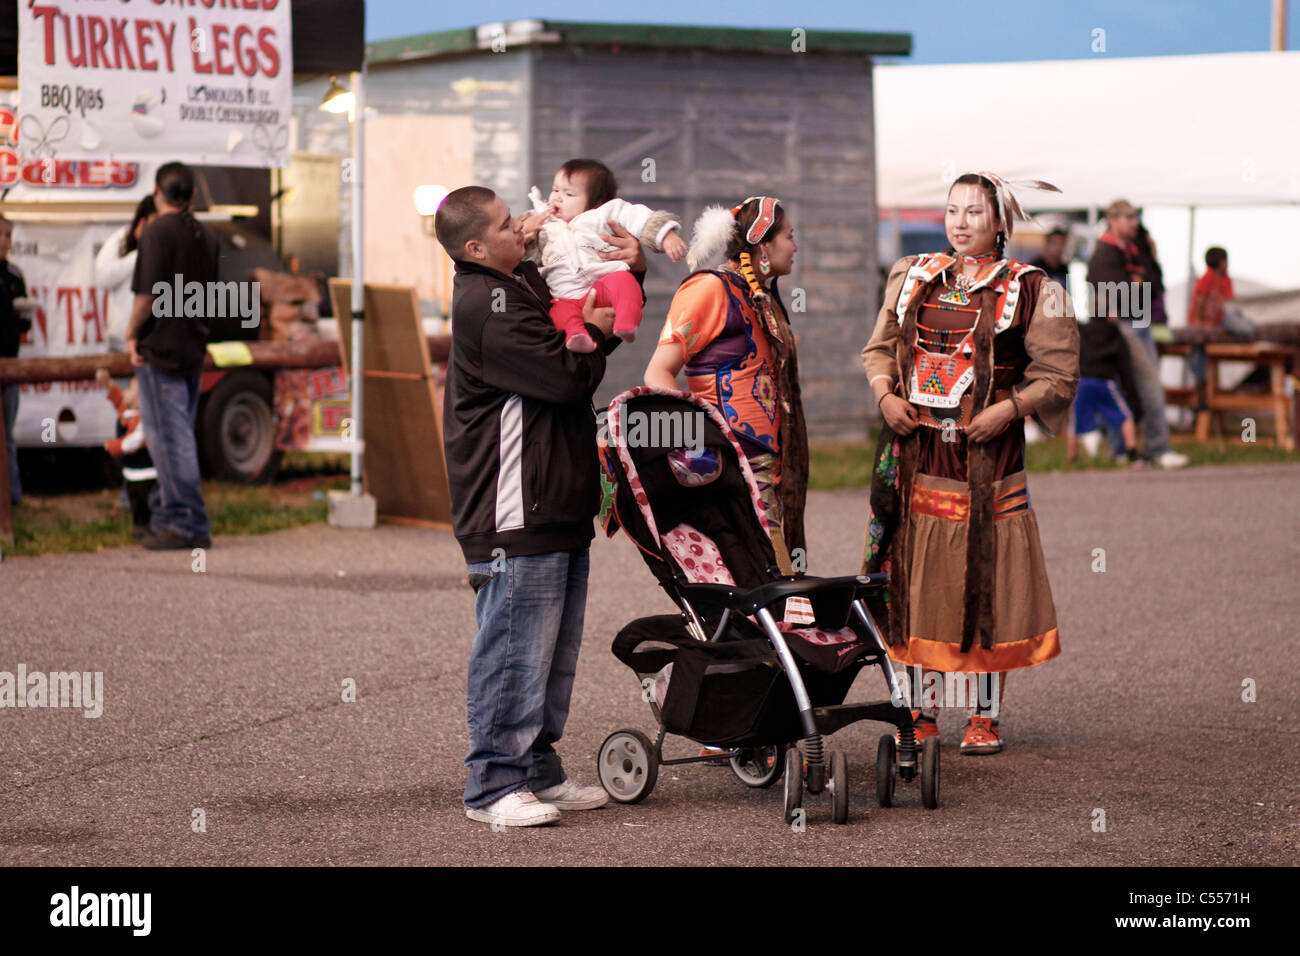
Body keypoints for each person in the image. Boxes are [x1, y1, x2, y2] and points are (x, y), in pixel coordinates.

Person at [437, 184, 644, 828]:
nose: (522, 228)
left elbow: (579, 289)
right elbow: (563, 375)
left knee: (551, 652)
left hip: (550, 498)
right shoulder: (486, 301)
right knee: (513, 649)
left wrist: (627, 268)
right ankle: (492, 784)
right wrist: (602, 332)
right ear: (475, 248)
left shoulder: (520, 278)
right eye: (505, 225)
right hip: (511, 509)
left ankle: (537, 771)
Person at [861, 171, 1079, 755]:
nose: (960, 223)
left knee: (985, 572)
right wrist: (886, 395)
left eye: (974, 213)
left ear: (1000, 224)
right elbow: (880, 348)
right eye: (952, 211)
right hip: (916, 450)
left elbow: (1058, 376)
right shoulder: (912, 275)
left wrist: (1009, 409)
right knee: (914, 573)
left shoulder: (1036, 288)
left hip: (987, 455)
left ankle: (985, 716)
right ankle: (920, 710)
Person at [643, 197, 808, 574]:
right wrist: (704, 446)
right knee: (754, 569)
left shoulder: (759, 297)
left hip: (766, 459)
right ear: (763, 245)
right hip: (732, 462)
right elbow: (657, 374)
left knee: (773, 568)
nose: (794, 247)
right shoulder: (710, 289)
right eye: (789, 236)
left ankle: (773, 632)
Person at [127, 162, 217, 550]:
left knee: (169, 439)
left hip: (160, 349)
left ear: (156, 193)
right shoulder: (207, 237)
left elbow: (146, 297)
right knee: (177, 435)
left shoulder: (156, 233)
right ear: (193, 195)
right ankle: (166, 514)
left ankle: (187, 522)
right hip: (192, 346)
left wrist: (131, 333)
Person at [521, 158, 687, 352]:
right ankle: (577, 336)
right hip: (566, 294)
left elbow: (638, 217)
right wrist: (526, 230)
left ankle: (626, 322)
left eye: (569, 194)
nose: (557, 198)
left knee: (624, 282)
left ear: (596, 203)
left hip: (601, 286)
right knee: (559, 311)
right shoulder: (543, 224)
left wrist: (666, 236)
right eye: (555, 190)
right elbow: (520, 249)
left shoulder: (602, 215)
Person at [1086, 200, 1188, 468]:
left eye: (1135, 217)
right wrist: (1135, 284)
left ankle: (1129, 449)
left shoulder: (1135, 247)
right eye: (1129, 217)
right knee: (1142, 384)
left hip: (1139, 322)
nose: (1134, 222)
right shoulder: (1104, 251)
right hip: (1120, 327)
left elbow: (1156, 284)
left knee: (1135, 385)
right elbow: (1112, 291)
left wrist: (1136, 284)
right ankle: (1152, 448)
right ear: (1112, 219)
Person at [95, 195, 158, 352]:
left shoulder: (167, 242)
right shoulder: (121, 239)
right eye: (155, 222)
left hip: (155, 338)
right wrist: (139, 253)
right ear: (143, 221)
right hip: (121, 336)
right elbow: (103, 277)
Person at [0, 216, 29, 506]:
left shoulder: (15, 276)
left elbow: (25, 321)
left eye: (9, 236)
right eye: (2, 235)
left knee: (7, 435)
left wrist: (22, 320)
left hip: (10, 365)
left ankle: (13, 498)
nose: (6, 242)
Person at [1186, 246, 1235, 403]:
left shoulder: (1225, 280)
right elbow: (1199, 301)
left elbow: (1224, 303)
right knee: (1197, 357)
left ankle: (1206, 392)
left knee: (1206, 359)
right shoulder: (1207, 278)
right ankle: (1202, 393)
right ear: (1222, 262)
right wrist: (1201, 322)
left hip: (1214, 324)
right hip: (1198, 323)